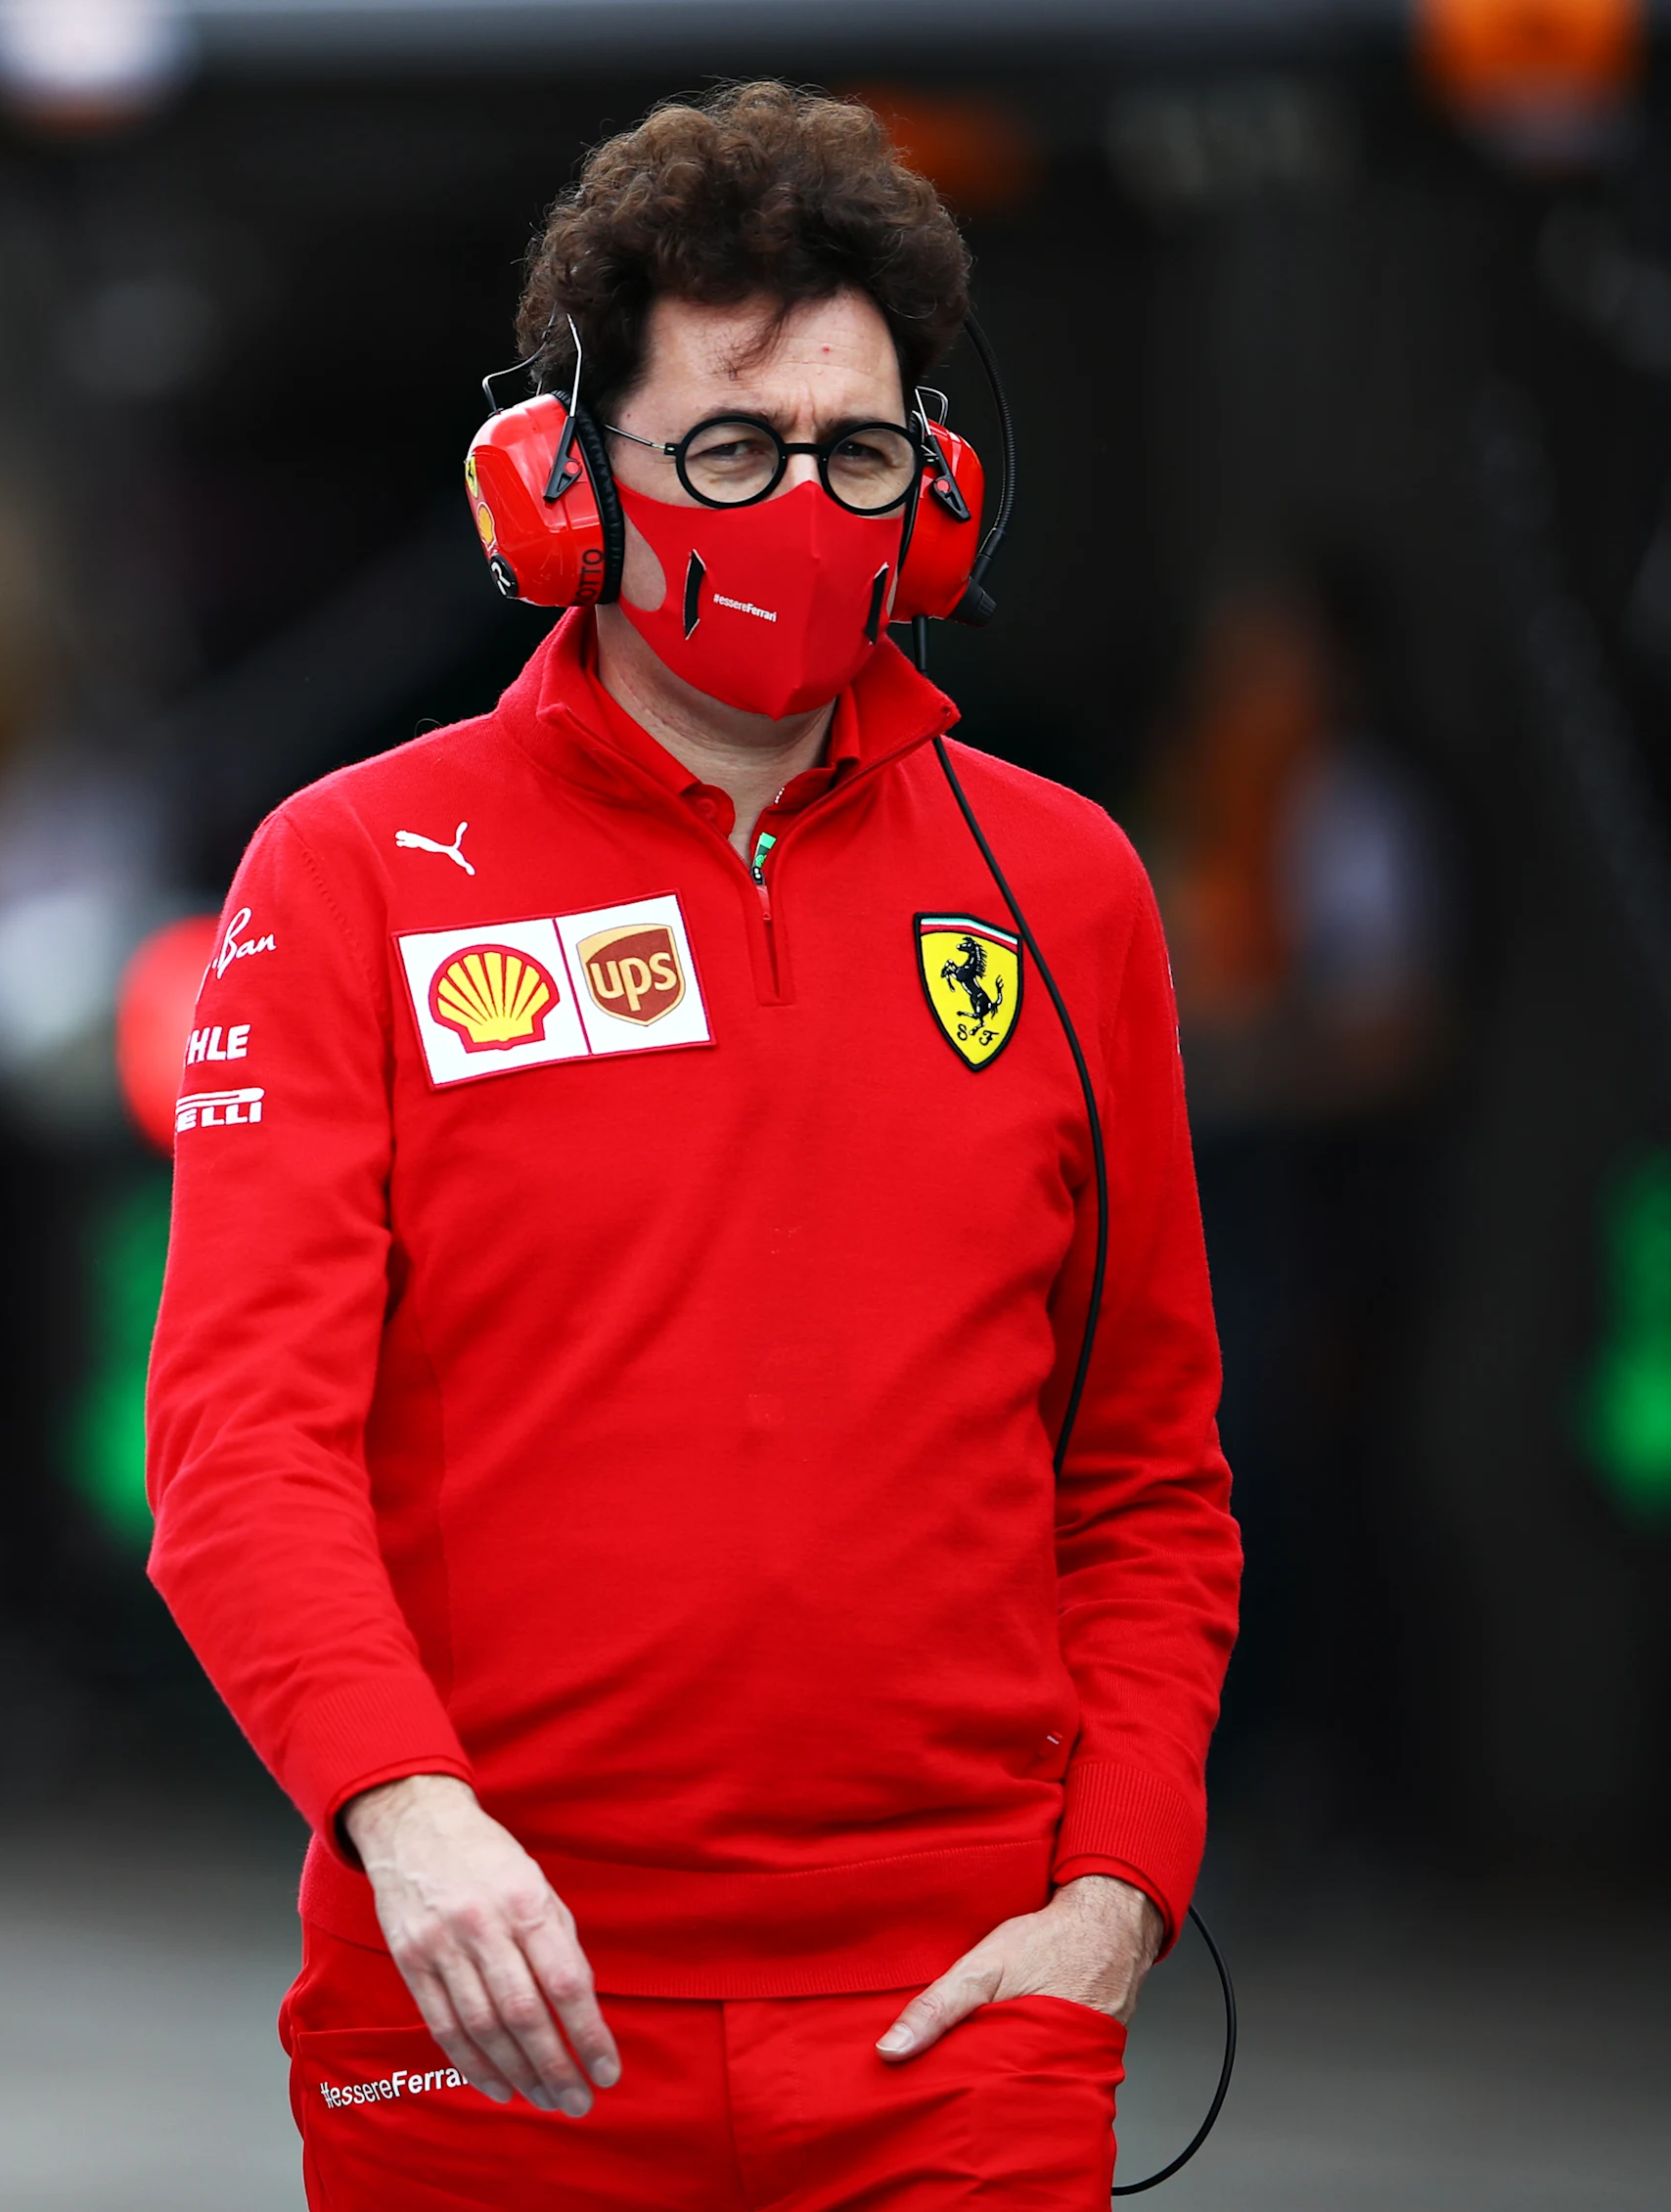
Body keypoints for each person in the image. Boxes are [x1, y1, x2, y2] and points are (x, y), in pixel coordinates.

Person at [145, 84, 1240, 2209]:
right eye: (730, 449)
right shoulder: (360, 867)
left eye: (855, 453)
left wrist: (1113, 1896)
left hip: (960, 2029)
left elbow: (1145, 1472)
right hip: (492, 2004)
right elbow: (235, 1448)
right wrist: (406, 1814)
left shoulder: (1063, 889)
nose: (798, 506)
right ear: (569, 492)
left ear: (937, 496)